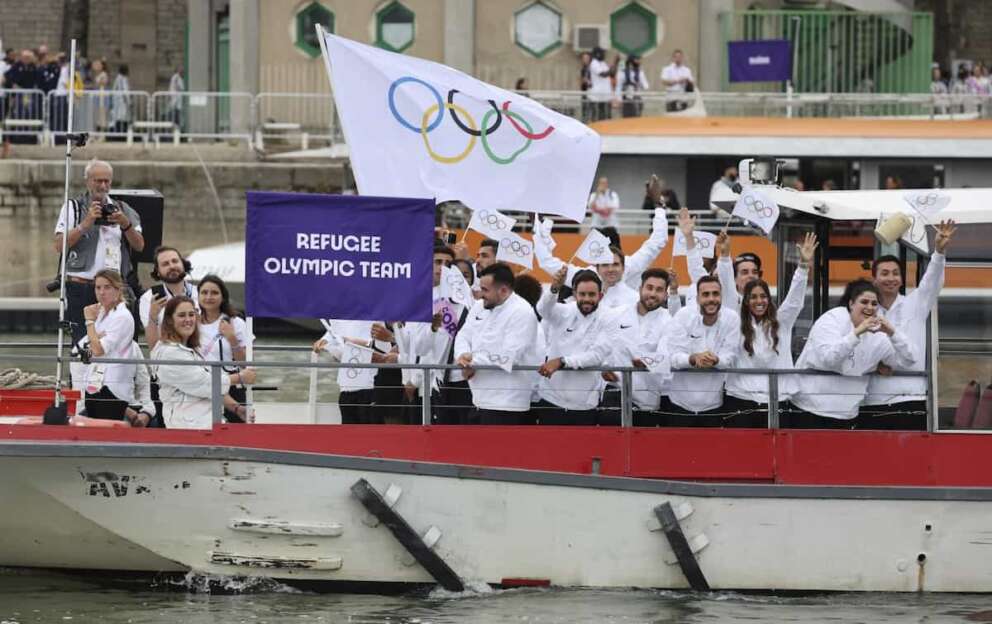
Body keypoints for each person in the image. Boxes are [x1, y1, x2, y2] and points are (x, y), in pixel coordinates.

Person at [862, 220, 956, 429]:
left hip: (911, 398)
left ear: (901, 280)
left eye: (895, 273)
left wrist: (939, 252)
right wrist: (873, 365)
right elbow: (858, 352)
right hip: (873, 400)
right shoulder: (866, 312)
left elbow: (932, 281)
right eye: (884, 273)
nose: (891, 278)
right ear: (874, 280)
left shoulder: (916, 303)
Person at [790, 279, 915, 429]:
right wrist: (857, 333)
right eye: (864, 302)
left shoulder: (878, 335)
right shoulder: (832, 319)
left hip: (848, 415)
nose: (870, 307)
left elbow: (909, 359)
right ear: (851, 304)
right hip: (809, 410)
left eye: (874, 304)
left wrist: (893, 333)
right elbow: (829, 359)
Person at [724, 233, 817, 427]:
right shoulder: (735, 321)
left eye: (763, 296)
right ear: (746, 300)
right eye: (753, 297)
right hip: (742, 400)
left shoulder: (781, 322)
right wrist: (724, 257)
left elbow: (794, 300)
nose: (759, 301)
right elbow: (727, 290)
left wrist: (803, 266)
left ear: (769, 298)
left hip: (778, 400)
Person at [536, 175, 671, 303]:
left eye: (616, 264)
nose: (611, 269)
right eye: (605, 264)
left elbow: (658, 241)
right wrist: (536, 229)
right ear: (596, 266)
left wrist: (659, 206)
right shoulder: (585, 276)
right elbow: (546, 262)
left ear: (624, 266)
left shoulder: (631, 266)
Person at [54, 159, 144, 347]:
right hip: (82, 287)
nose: (103, 186)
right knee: (82, 344)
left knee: (118, 344)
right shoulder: (74, 208)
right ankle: (78, 377)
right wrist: (85, 224)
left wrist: (125, 223)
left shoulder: (122, 209)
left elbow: (139, 246)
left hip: (113, 288)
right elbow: (59, 245)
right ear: (87, 181)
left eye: (107, 181)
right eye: (98, 181)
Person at [152, 296, 256, 429]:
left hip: (206, 423)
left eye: (191, 314)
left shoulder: (190, 349)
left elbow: (208, 387)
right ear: (170, 320)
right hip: (188, 429)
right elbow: (205, 383)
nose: (188, 320)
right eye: (181, 315)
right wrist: (240, 378)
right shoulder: (169, 353)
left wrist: (237, 409)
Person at [454, 263, 539, 424]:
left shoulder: (522, 312)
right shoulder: (479, 306)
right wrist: (462, 356)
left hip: (507, 405)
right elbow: (463, 335)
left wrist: (472, 362)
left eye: (485, 290)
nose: (480, 294)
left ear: (504, 290)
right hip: (477, 399)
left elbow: (510, 356)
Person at [533, 269, 613, 425]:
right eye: (582, 294)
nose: (586, 299)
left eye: (591, 295)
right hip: (551, 401)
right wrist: (554, 288)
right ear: (575, 294)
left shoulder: (608, 318)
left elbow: (596, 355)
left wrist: (562, 361)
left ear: (600, 295)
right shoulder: (564, 311)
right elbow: (543, 309)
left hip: (585, 406)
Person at [607, 268, 677, 426]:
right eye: (649, 287)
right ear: (640, 289)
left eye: (659, 290)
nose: (652, 294)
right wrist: (604, 368)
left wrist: (644, 361)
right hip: (615, 394)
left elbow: (665, 357)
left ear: (665, 295)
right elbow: (602, 346)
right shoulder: (616, 314)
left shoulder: (669, 321)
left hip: (647, 402)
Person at [666, 275, 741, 424]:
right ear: (697, 298)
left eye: (715, 294)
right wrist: (692, 359)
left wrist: (716, 360)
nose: (711, 299)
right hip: (679, 404)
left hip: (714, 405)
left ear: (721, 296)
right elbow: (673, 357)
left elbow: (731, 357)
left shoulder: (732, 318)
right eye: (705, 294)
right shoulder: (683, 315)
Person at [312, 319, 398, 424]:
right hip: (346, 385)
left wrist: (352, 342)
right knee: (349, 433)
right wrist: (324, 340)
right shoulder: (338, 316)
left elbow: (386, 348)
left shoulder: (375, 311)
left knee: (372, 433)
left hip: (372, 385)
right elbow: (333, 333)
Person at [81, 270, 136, 421]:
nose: (101, 292)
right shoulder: (101, 313)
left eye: (107, 287)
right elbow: (88, 345)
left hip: (111, 388)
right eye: (98, 288)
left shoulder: (122, 317)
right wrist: (94, 337)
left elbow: (97, 350)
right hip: (94, 384)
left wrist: (89, 322)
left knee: (108, 433)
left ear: (118, 290)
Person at [197, 274, 253, 423]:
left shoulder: (236, 323)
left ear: (223, 297)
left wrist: (232, 339)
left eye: (214, 293)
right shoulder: (191, 323)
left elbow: (246, 364)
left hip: (232, 386)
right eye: (204, 292)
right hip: (199, 387)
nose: (209, 297)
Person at [140, 246, 198, 350]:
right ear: (158, 271)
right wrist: (153, 316)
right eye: (165, 264)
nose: (171, 266)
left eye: (175, 261)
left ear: (183, 265)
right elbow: (153, 347)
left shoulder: (200, 293)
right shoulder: (149, 298)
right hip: (169, 359)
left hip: (201, 358)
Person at [715, 230, 762, 312]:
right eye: (744, 272)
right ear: (735, 279)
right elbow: (725, 272)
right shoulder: (730, 299)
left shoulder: (766, 305)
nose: (751, 276)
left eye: (754, 272)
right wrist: (724, 253)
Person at [587, 176, 620, 245]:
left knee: (613, 246)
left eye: (604, 183)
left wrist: (601, 209)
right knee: (595, 246)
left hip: (610, 226)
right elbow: (590, 206)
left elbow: (615, 206)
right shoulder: (594, 195)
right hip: (596, 226)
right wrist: (597, 194)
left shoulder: (612, 195)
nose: (603, 185)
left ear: (607, 184)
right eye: (601, 183)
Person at [588, 47, 614, 122]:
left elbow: (611, 73)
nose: (604, 55)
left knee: (607, 117)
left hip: (606, 95)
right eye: (603, 53)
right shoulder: (594, 63)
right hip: (597, 96)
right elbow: (603, 74)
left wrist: (615, 63)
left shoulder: (603, 63)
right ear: (598, 54)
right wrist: (611, 69)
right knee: (598, 117)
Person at [110, 64, 131, 137]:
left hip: (117, 101)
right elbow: (125, 91)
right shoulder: (123, 79)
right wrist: (129, 102)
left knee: (118, 118)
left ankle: (118, 134)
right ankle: (121, 135)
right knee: (122, 118)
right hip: (122, 101)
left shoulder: (117, 78)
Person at [579, 51, 593, 122]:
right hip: (584, 92)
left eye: (586, 58)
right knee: (584, 111)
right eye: (583, 58)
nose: (585, 60)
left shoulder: (592, 68)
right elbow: (582, 80)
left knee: (592, 110)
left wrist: (588, 81)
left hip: (591, 93)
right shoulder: (583, 69)